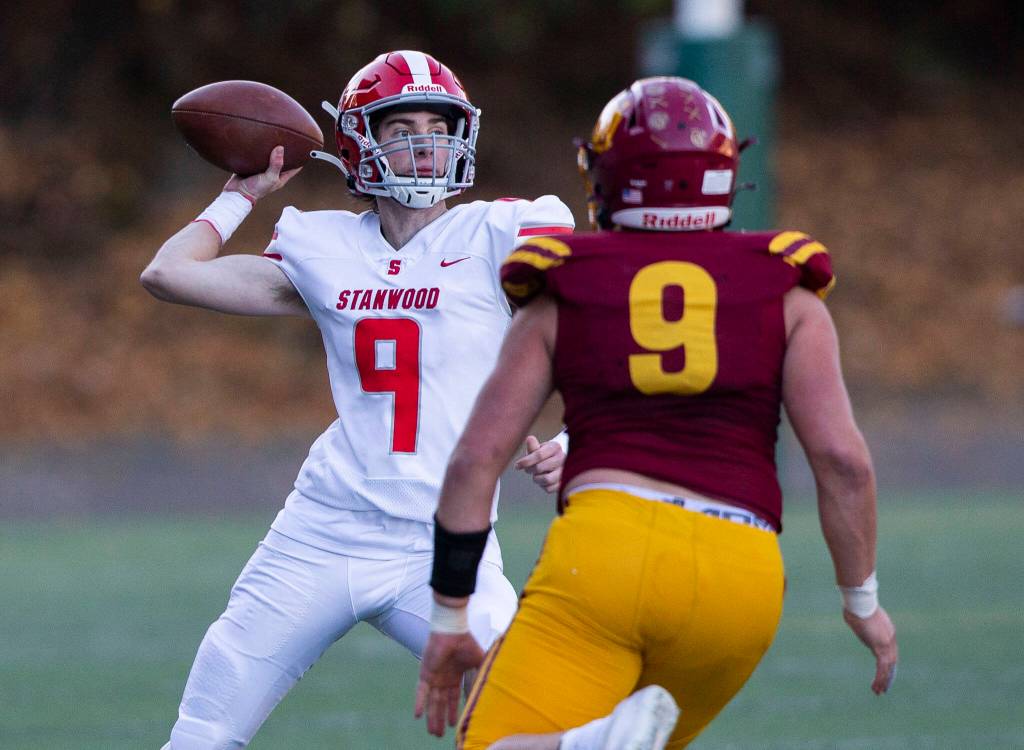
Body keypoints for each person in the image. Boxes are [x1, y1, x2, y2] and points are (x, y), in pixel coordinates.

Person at [414, 76, 899, 749]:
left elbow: (476, 459)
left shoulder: (562, 284)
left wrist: (448, 616)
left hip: (610, 554)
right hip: (743, 579)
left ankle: (586, 743)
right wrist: (861, 601)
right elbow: (843, 462)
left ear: (609, 177)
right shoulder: (787, 290)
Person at [140, 50, 574, 749]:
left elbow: (606, 327)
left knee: (538, 721)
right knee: (203, 734)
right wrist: (242, 194)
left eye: (440, 124)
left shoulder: (502, 232)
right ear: (359, 143)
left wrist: (576, 440)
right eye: (403, 126)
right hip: (319, 532)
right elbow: (167, 273)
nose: (427, 142)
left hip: (443, 544)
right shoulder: (323, 245)